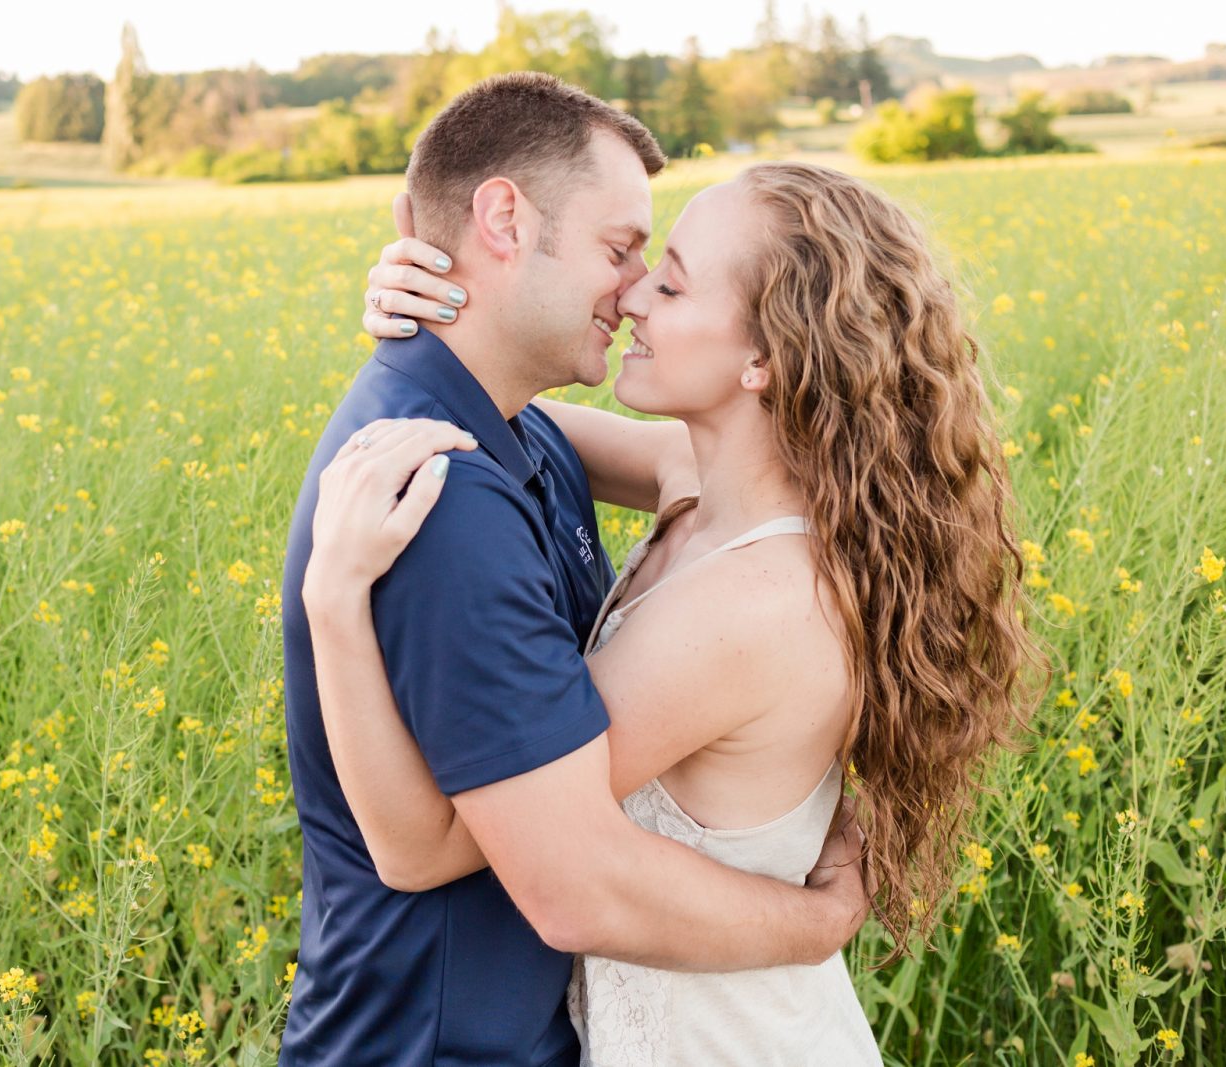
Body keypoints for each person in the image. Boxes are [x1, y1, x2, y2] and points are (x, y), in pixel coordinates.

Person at [305, 153, 1046, 1061]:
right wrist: (443, 309)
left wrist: (333, 602)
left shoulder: (745, 608)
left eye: (674, 282)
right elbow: (487, 411)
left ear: (763, 360)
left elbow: (432, 847)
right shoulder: (703, 482)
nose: (632, 298)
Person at [280, 72, 872, 1067]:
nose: (633, 290)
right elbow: (451, 856)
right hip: (437, 1045)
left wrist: (439, 324)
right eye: (620, 251)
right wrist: (815, 924)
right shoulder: (437, 495)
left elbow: (708, 471)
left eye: (664, 274)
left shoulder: (530, 438)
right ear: (504, 219)